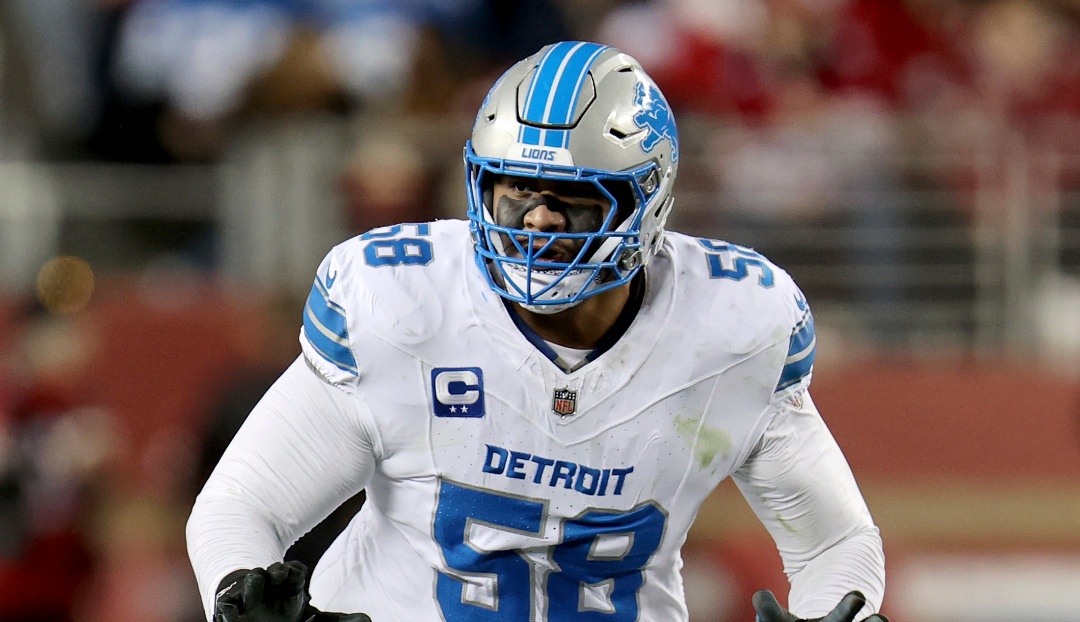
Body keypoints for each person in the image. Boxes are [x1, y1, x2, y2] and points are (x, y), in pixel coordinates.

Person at [187, 41, 888, 622]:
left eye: (575, 195)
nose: (538, 218)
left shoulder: (731, 325)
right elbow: (241, 505)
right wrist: (241, 595)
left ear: (645, 199)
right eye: (517, 187)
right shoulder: (400, 303)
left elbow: (834, 544)